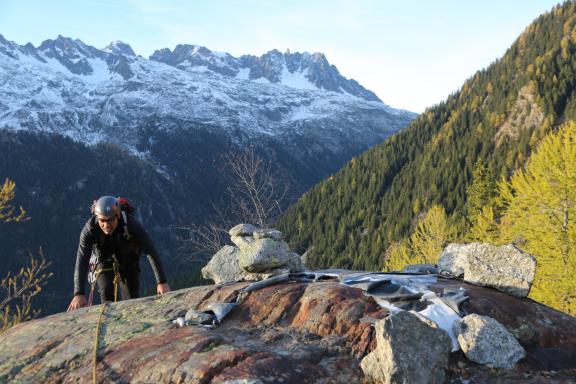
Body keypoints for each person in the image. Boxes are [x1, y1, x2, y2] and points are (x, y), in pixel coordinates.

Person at [67, 196, 170, 311]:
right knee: (106, 294)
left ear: (118, 216)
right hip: (103, 259)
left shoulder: (130, 225)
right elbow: (82, 259)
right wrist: (79, 293)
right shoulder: (90, 229)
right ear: (97, 217)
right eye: (102, 220)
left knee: (131, 299)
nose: (106, 225)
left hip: (128, 260)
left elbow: (150, 250)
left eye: (110, 220)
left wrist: (162, 282)